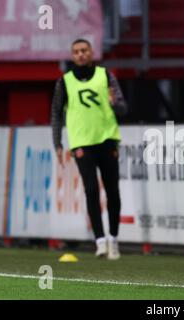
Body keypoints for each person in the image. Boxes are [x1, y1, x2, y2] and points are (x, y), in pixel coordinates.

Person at [51, 39, 128, 260]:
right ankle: (100, 241)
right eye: (76, 52)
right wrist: (57, 143)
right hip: (81, 142)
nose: (81, 55)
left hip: (107, 138)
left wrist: (115, 103)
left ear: (92, 52)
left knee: (112, 190)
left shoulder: (106, 76)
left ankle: (113, 238)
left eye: (84, 50)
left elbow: (123, 108)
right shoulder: (64, 82)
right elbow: (56, 113)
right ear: (72, 55)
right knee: (91, 189)